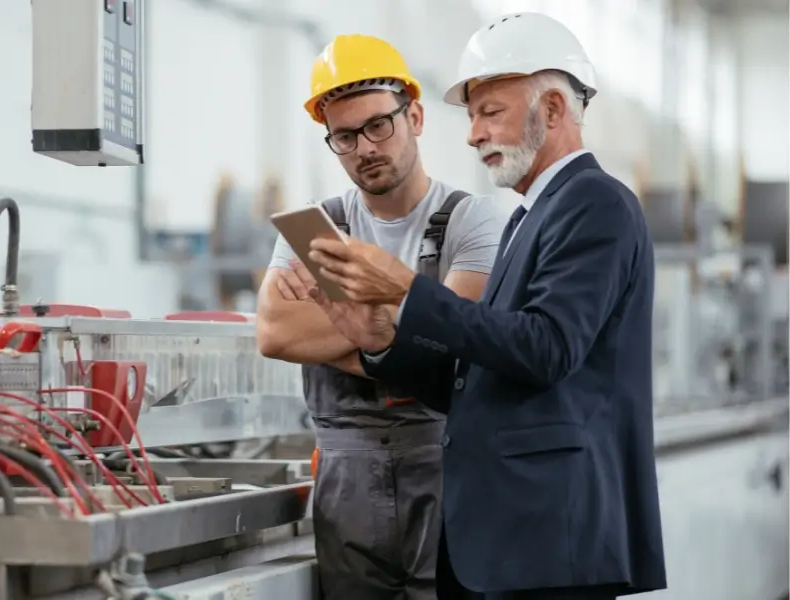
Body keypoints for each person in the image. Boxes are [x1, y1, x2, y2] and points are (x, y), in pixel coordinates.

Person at [300, 13, 668, 600]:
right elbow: (482, 378)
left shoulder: (595, 203)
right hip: (515, 539)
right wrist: (379, 344)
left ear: (551, 110)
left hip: (550, 540)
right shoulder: (533, 216)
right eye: (472, 115)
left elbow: (546, 349)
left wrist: (405, 288)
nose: (472, 134)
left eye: (489, 112)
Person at [255, 34, 507, 600]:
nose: (364, 147)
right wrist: (409, 326)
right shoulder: (316, 225)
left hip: (443, 469)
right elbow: (274, 331)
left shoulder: (471, 221)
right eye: (344, 136)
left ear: (414, 116)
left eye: (377, 125)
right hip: (345, 480)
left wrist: (356, 332)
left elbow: (461, 344)